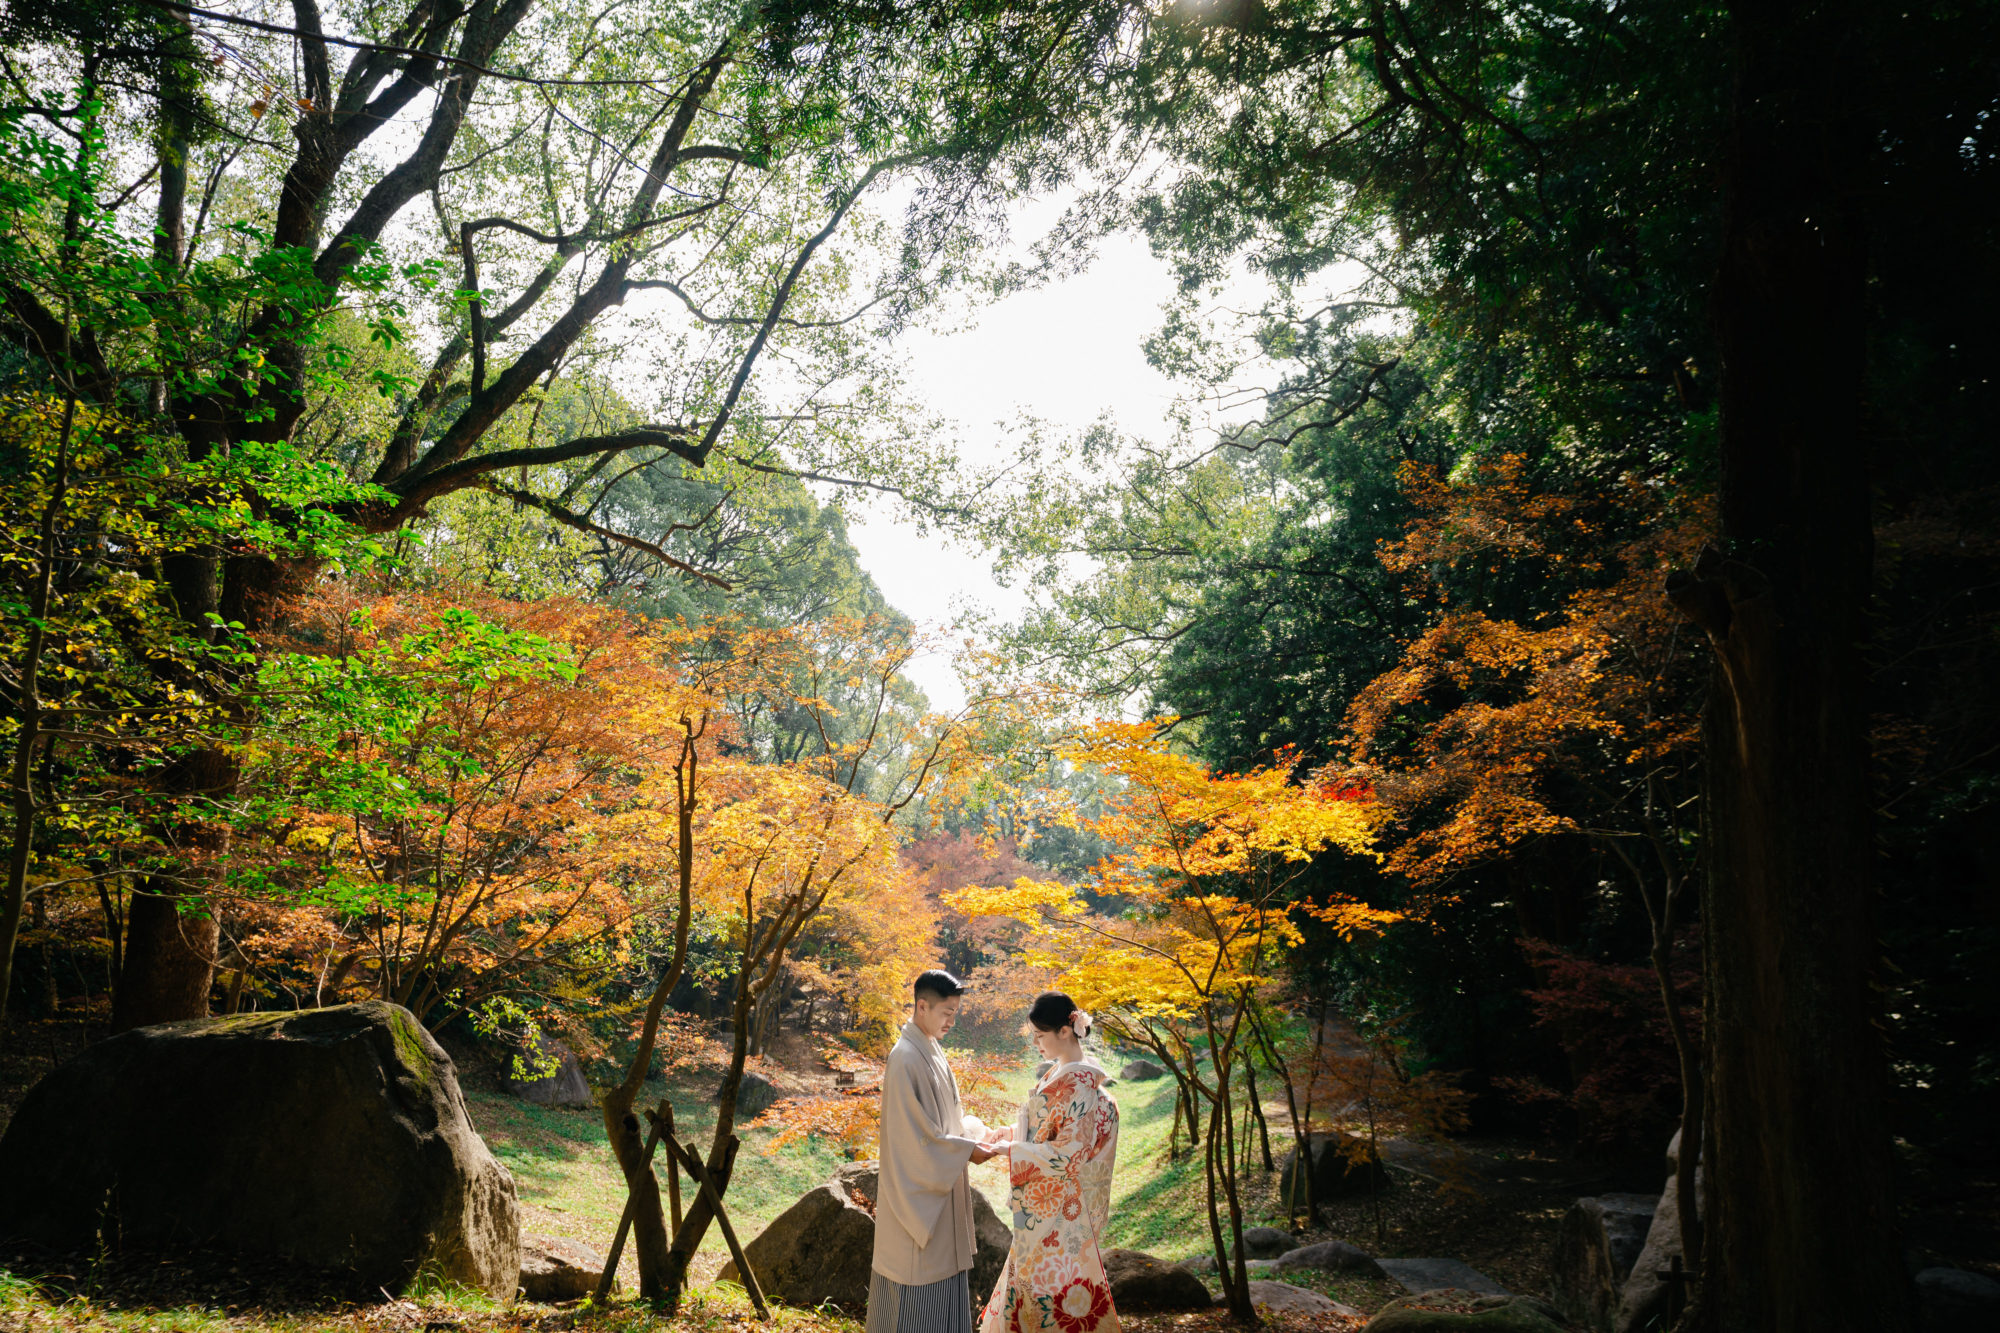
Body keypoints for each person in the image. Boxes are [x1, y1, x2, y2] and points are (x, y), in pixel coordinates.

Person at [976, 991, 1121, 1333]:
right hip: (1050, 1207)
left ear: (1065, 1031)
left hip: (1064, 1212)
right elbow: (1047, 1131)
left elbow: (1068, 1155)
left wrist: (1011, 1149)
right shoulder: (1064, 1074)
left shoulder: (1081, 1085)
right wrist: (1010, 1133)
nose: (1036, 1043)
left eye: (1040, 1035)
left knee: (1052, 1303)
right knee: (1035, 1299)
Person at [869, 968, 1000, 1333]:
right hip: (918, 1201)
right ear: (922, 1006)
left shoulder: (929, 1048)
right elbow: (915, 1141)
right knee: (915, 1302)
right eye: (947, 1013)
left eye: (955, 1013)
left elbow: (946, 1123)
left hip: (939, 1196)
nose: (951, 1022)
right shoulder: (905, 1058)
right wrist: (966, 1150)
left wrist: (976, 1134)